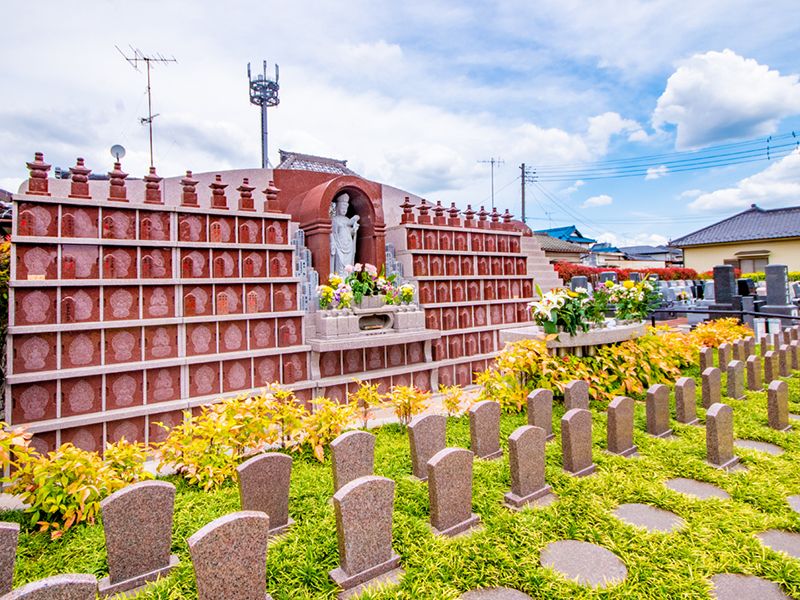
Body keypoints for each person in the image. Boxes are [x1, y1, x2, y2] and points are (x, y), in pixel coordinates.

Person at [330, 193, 359, 274]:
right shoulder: (334, 220)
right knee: (340, 266)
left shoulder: (347, 219)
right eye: (342, 207)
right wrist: (333, 243)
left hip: (348, 245)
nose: (344, 209)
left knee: (348, 266)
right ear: (338, 207)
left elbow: (351, 233)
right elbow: (332, 232)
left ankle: (348, 282)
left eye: (346, 208)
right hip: (339, 245)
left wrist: (354, 229)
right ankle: (339, 282)